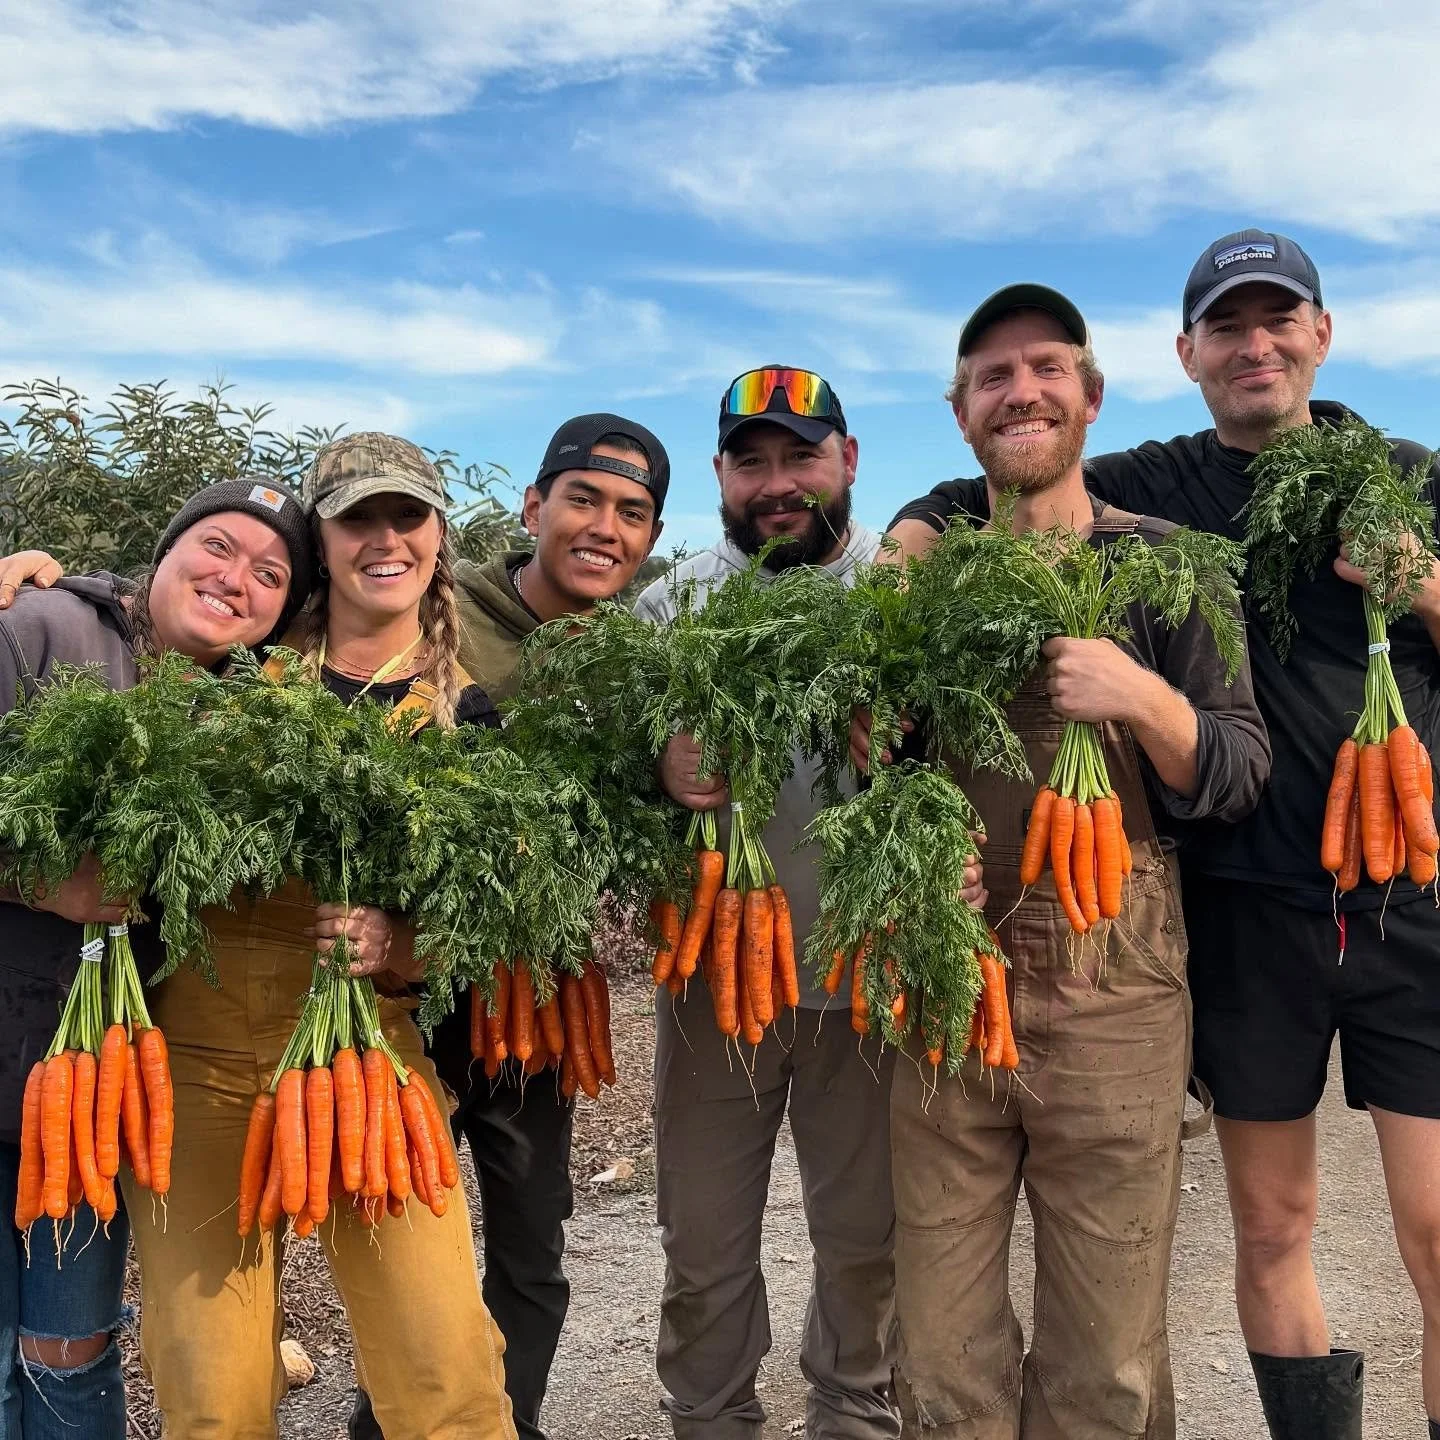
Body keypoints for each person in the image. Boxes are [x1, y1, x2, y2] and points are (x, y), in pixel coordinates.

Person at [0, 420, 671, 1440]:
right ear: (326, 541)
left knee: (447, 1380)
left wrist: (404, 948)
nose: (385, 538)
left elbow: (492, 916)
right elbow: (143, 622)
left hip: (373, 1068)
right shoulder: (241, 675)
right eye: (359, 519)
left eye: (408, 515)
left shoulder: (464, 717)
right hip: (195, 1066)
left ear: (438, 536)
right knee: (213, 1401)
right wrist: (35, 577)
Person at [888, 234, 1440, 1439]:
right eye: (1225, 329)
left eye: (1277, 320)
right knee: (1260, 1230)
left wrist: (1425, 584)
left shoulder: (1393, 479)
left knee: (1433, 1230)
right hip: (1227, 918)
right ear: (1182, 355)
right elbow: (986, 489)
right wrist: (911, 536)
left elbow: (1225, 759)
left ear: (1321, 333)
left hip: (1393, 897)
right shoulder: (1134, 494)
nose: (1254, 346)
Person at [859, 285, 1269, 1438]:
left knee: (1110, 1353)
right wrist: (916, 858)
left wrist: (1141, 696)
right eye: (992, 376)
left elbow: (1239, 769)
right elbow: (879, 766)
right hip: (949, 975)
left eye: (1046, 367)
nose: (1021, 390)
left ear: (1090, 395)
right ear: (960, 415)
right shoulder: (919, 579)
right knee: (941, 1350)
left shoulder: (1174, 565)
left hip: (1117, 981)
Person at [636, 367, 981, 1439]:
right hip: (713, 979)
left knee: (868, 1238)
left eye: (801, 455)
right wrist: (660, 766)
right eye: (753, 461)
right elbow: (600, 794)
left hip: (868, 977)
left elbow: (984, 757)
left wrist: (951, 833)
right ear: (721, 475)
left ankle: (853, 1412)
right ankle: (710, 1417)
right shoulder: (669, 604)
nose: (778, 483)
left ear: (850, 461)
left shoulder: (908, 586)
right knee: (702, 1238)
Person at [348, 413, 669, 1440]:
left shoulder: (633, 658)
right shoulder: (442, 618)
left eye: (632, 513)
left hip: (540, 1007)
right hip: (412, 996)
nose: (603, 528)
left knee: (532, 1252)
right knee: (411, 1258)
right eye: (584, 500)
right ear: (535, 509)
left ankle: (508, 1425)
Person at [0, 478, 313, 1439]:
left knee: (70, 1346)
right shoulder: (42, 628)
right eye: (217, 546)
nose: (236, 579)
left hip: (93, 1092)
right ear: (167, 549)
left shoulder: (243, 719)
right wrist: (35, 881)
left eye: (270, 574)